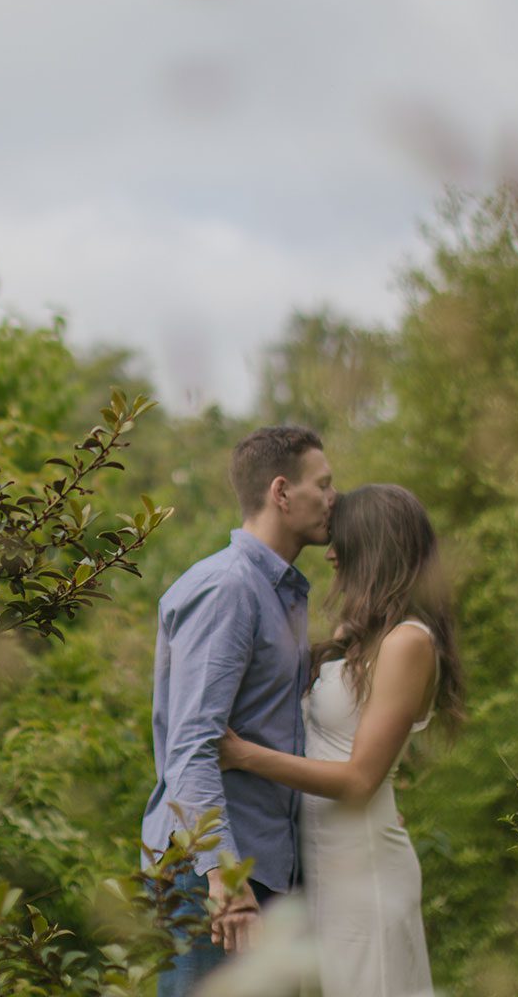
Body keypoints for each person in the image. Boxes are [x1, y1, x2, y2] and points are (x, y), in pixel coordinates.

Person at [218, 483, 464, 997]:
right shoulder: (363, 636)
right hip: (320, 863)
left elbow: (357, 781)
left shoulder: (408, 643)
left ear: (373, 546)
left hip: (363, 871)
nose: (330, 552)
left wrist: (243, 755)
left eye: (340, 540)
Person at [140, 425, 336, 996]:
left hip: (262, 872)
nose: (332, 500)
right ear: (281, 492)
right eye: (322, 485)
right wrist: (225, 876)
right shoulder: (228, 589)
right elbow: (193, 748)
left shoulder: (281, 594)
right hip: (213, 880)